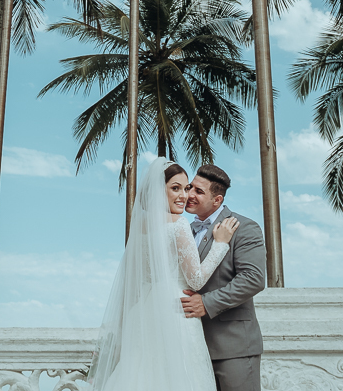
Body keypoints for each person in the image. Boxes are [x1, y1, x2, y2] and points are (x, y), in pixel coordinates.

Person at [90, 158, 239, 391]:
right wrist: (220, 244)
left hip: (145, 312)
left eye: (186, 187)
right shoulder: (178, 225)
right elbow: (196, 280)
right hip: (175, 309)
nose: (183, 195)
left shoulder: (140, 228)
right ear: (159, 192)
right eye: (175, 188)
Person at [181, 164, 267, 391]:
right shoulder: (185, 231)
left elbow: (253, 278)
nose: (189, 195)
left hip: (234, 348)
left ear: (217, 200)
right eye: (190, 187)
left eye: (198, 191)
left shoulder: (245, 228)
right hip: (192, 347)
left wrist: (206, 303)